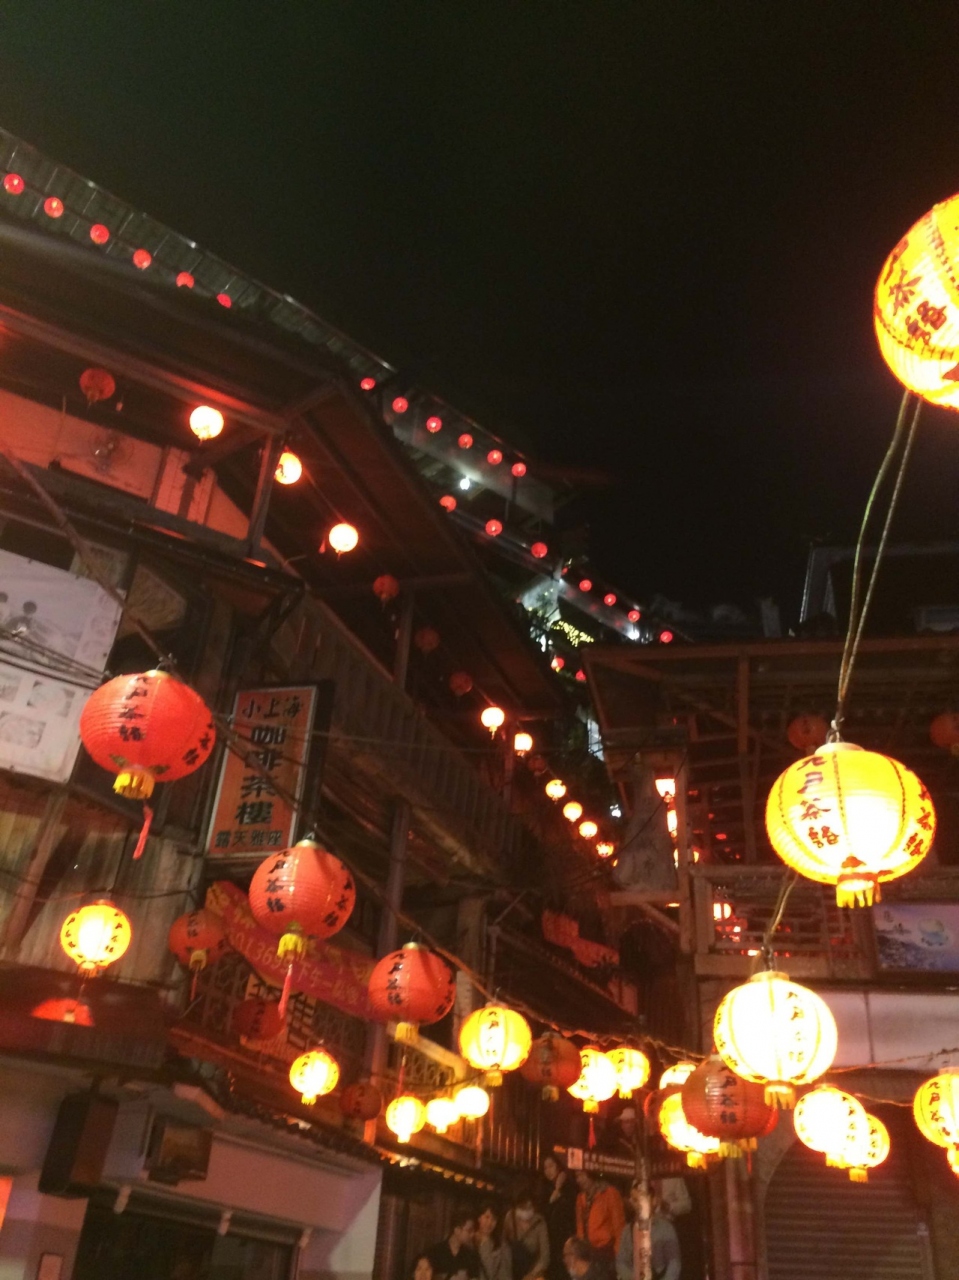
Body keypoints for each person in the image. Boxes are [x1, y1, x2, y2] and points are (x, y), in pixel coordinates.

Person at [615, 1182, 681, 1280]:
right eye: (635, 1200)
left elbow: (674, 1263)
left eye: (642, 1200)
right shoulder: (627, 1231)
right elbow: (621, 1262)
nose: (638, 1204)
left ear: (653, 1201)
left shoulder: (665, 1228)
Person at [574, 1171, 625, 1268]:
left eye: (582, 1175)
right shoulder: (581, 1198)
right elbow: (580, 1226)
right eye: (577, 1176)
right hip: (588, 1251)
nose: (579, 1180)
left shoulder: (609, 1193)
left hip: (606, 1251)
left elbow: (619, 1226)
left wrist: (618, 1254)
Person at [542, 1156, 577, 1280]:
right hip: (550, 1241)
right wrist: (555, 1192)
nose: (548, 1170)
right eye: (545, 1168)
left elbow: (571, 1212)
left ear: (558, 1166)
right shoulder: (544, 1188)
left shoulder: (569, 1186)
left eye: (551, 1166)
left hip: (565, 1239)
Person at [503, 1191, 550, 1280]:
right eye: (523, 1207)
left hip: (532, 1271)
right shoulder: (510, 1217)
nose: (526, 1211)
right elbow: (503, 1244)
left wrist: (532, 1275)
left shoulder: (539, 1222)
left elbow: (545, 1256)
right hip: (510, 1269)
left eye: (529, 1207)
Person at [428, 1210, 481, 1280]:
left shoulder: (471, 1256)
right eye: (469, 1231)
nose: (472, 1235)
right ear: (457, 1230)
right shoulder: (435, 1252)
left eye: (473, 1231)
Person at [476, 1203, 512, 1280]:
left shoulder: (502, 1246)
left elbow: (505, 1275)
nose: (489, 1223)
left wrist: (485, 1244)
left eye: (494, 1219)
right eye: (487, 1217)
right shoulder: (469, 1240)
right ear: (479, 1218)